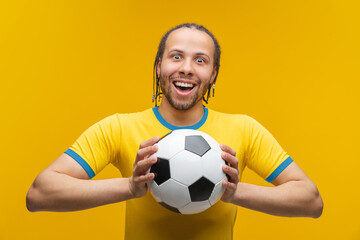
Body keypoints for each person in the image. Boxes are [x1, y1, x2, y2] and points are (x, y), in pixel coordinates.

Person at [26, 23, 323, 240]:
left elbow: (311, 201)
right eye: (176, 56)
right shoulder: (119, 127)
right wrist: (131, 187)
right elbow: (39, 194)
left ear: (213, 74)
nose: (187, 69)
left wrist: (235, 192)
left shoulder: (243, 129)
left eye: (201, 60)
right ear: (159, 67)